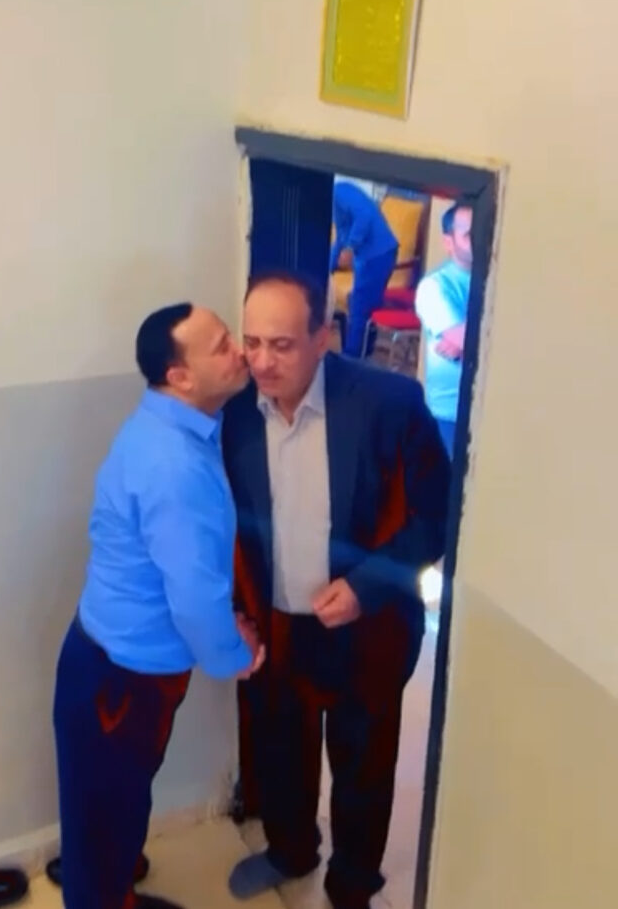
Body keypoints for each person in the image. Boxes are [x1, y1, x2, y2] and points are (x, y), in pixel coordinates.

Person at [222, 272, 451, 909]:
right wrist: (234, 610)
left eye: (282, 345)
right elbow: (220, 524)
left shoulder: (388, 403)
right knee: (280, 751)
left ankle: (352, 883)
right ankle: (290, 849)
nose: (262, 362)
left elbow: (436, 515)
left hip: (365, 627)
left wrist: (366, 587)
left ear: (323, 337)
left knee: (362, 764)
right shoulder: (233, 413)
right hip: (277, 625)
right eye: (252, 342)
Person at [53, 303, 266, 909]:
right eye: (222, 345)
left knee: (110, 809)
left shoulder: (170, 425)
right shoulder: (174, 465)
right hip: (119, 682)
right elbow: (196, 599)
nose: (241, 350)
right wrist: (236, 654)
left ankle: (110, 885)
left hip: (112, 666)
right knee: (106, 820)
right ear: (180, 376)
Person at [415, 202, 473, 459]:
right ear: (448, 242)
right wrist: (467, 343)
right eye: (469, 235)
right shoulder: (435, 287)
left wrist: (467, 344)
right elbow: (469, 341)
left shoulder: (502, 281)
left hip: (497, 405)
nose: (480, 241)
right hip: (449, 413)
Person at [329, 181, 399, 358]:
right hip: (371, 255)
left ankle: (351, 358)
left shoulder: (340, 191)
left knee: (359, 303)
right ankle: (364, 352)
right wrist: (327, 266)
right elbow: (342, 236)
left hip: (378, 253)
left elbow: (364, 215)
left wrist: (351, 247)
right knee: (364, 303)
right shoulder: (333, 202)